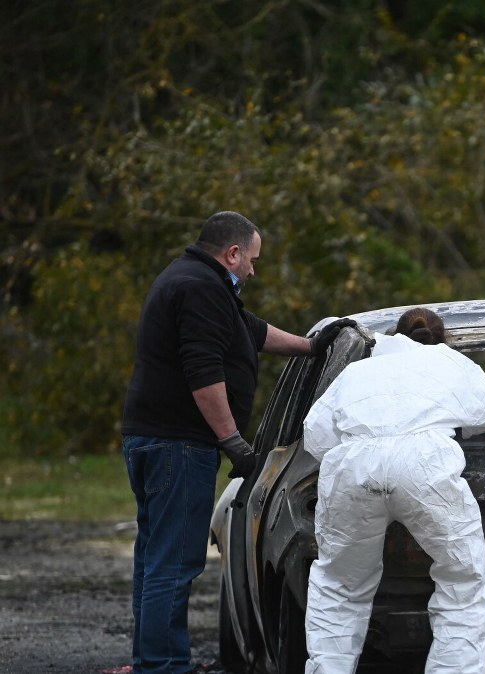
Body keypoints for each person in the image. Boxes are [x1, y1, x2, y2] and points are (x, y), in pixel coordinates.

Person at [121, 210, 354, 673]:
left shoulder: (192, 281)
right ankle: (163, 666)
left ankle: (153, 661)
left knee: (155, 558)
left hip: (154, 439)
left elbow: (251, 331)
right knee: (174, 562)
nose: (253, 268)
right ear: (232, 254)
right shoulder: (202, 288)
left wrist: (312, 347)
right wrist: (233, 442)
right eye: (252, 259)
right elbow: (204, 374)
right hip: (179, 446)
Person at [301, 307, 485, 674]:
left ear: (394, 335)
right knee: (463, 580)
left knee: (339, 586)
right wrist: (450, 418)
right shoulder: (449, 362)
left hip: (353, 466)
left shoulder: (357, 371)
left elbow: (315, 434)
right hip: (424, 465)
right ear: (442, 338)